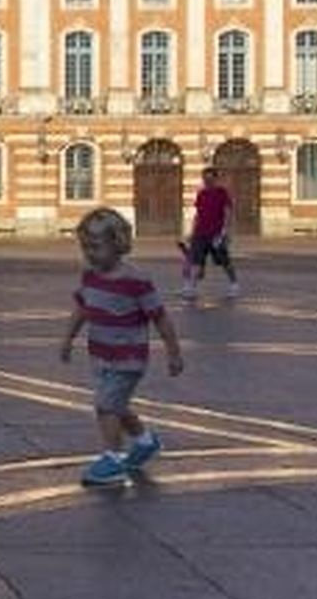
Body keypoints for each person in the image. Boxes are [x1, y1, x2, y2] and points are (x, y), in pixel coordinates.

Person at [60, 207, 184, 487]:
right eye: (85, 247)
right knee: (117, 404)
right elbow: (82, 307)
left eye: (96, 247)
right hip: (102, 355)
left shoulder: (136, 280)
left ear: (117, 244)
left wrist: (173, 352)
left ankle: (113, 459)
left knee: (106, 405)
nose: (90, 254)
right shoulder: (90, 276)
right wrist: (68, 338)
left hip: (128, 358)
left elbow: (160, 317)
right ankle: (144, 441)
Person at [183, 166, 240, 298]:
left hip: (216, 234)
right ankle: (192, 288)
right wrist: (192, 232)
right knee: (196, 261)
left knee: (224, 261)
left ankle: (234, 284)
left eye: (210, 178)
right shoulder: (201, 194)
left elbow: (228, 213)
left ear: (216, 179)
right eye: (205, 178)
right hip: (200, 233)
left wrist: (225, 232)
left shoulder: (222, 193)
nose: (207, 181)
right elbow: (198, 215)